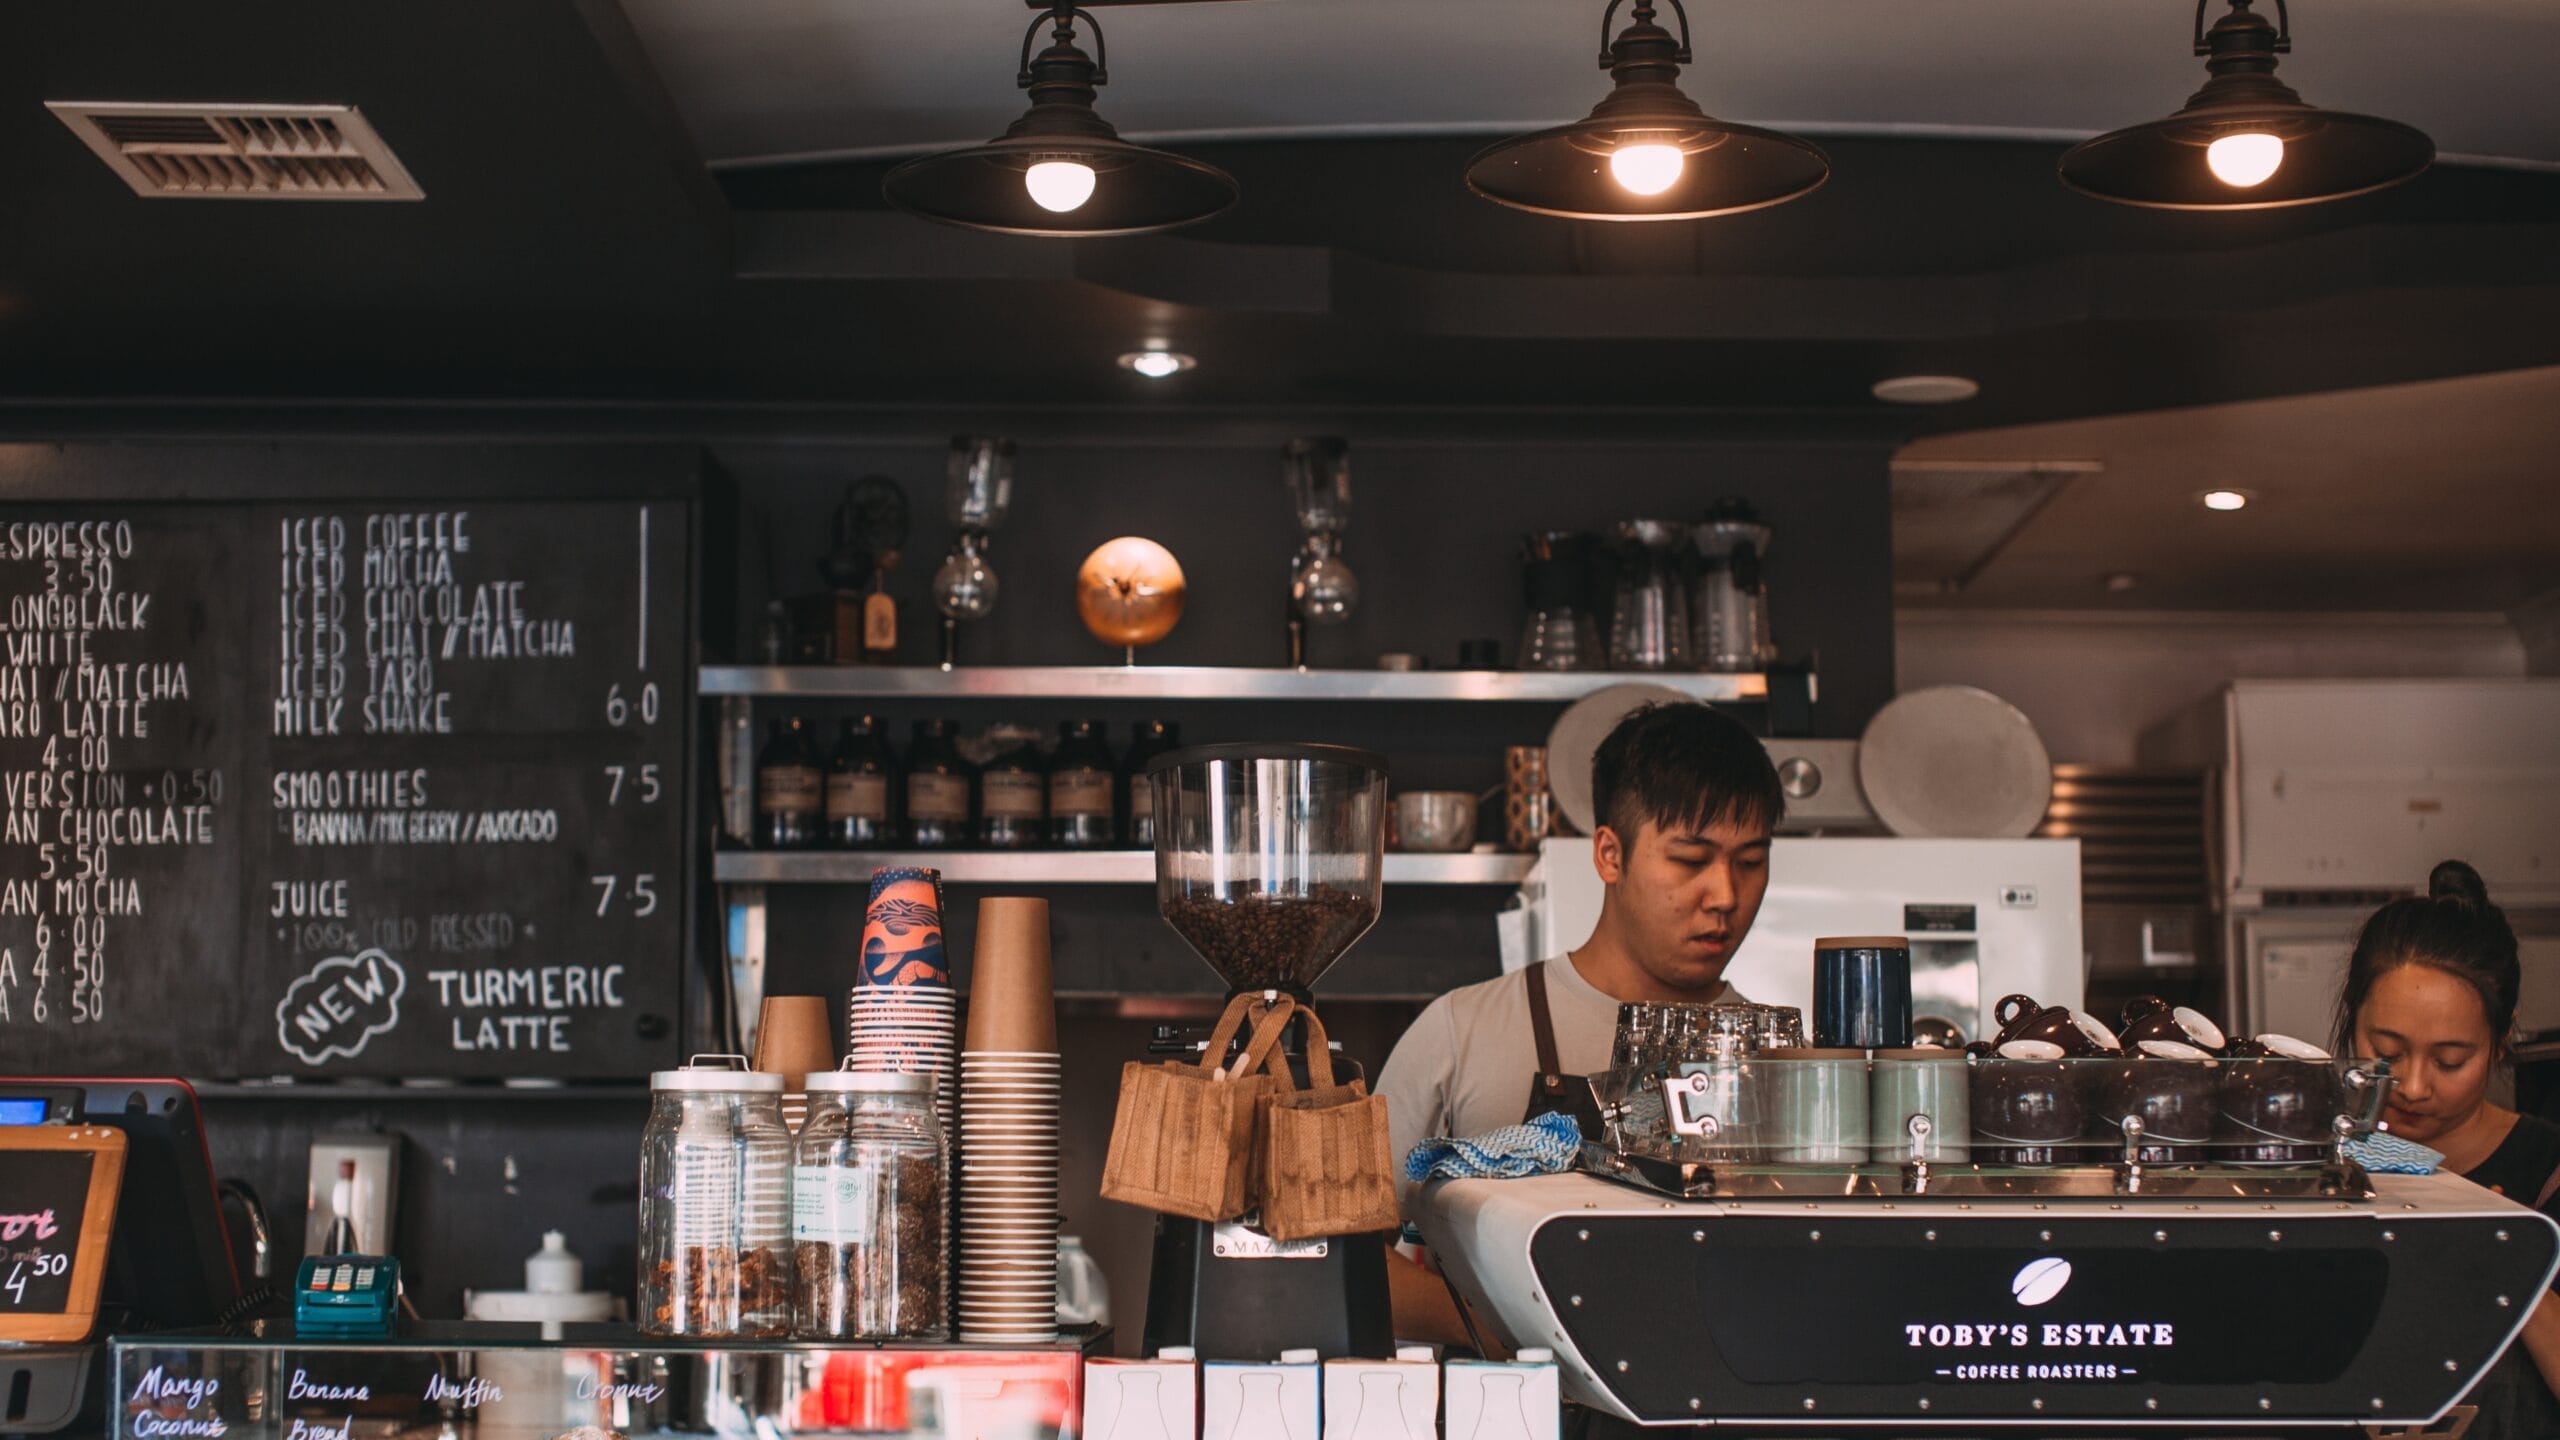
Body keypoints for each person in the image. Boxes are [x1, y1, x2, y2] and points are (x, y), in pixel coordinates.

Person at [1377, 701, 1783, 1342]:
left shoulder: (1784, 1063)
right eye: (1689, 860)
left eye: (1751, 861)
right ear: (1609, 854)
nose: (1726, 894)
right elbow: (1342, 1256)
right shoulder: (1462, 1032)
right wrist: (1497, 1331)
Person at [2338, 859, 2560, 1437]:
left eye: (2450, 1060)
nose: (2412, 1087)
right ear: (2351, 1021)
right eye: (2385, 1049)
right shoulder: (2309, 1160)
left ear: (2500, 1041)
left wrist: (2503, 1253)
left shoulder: (2546, 1171)